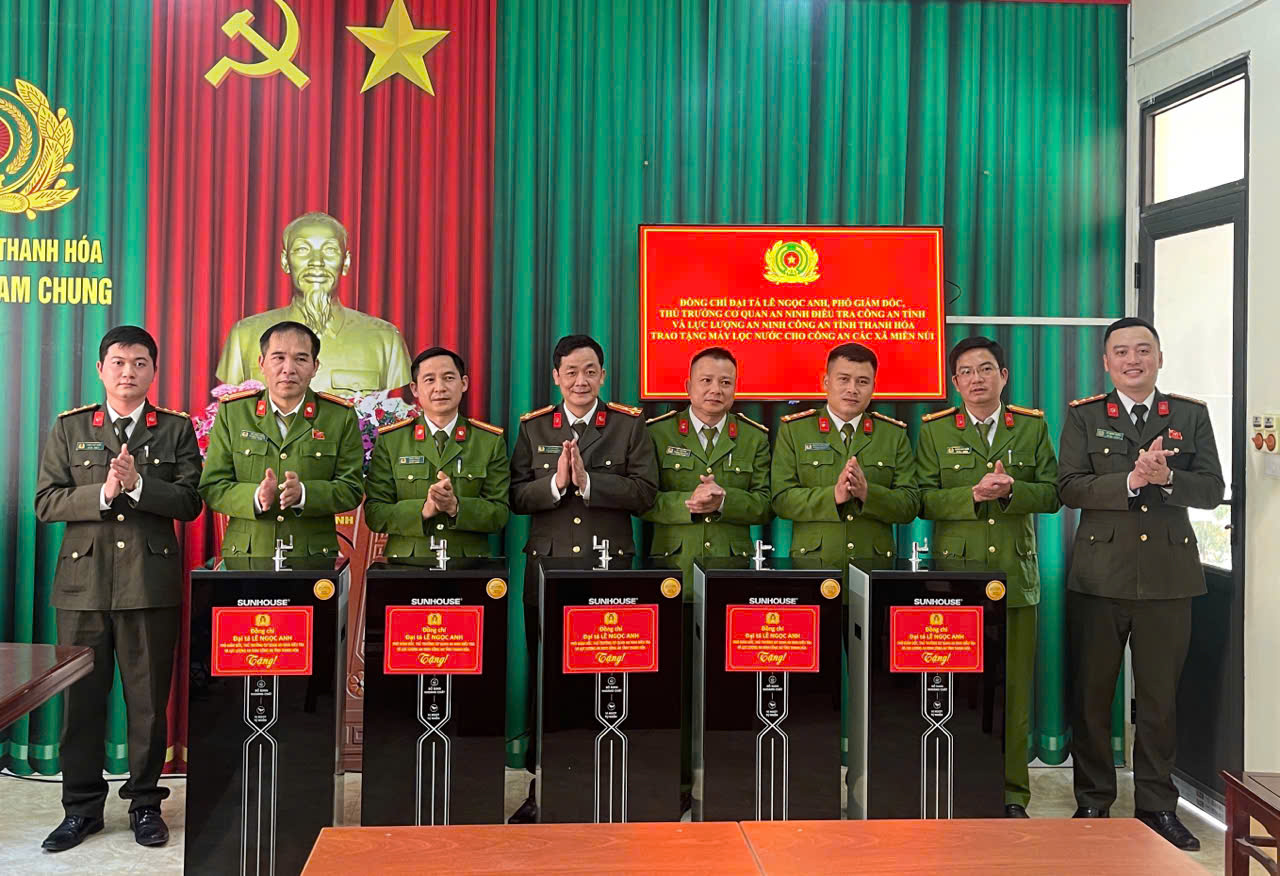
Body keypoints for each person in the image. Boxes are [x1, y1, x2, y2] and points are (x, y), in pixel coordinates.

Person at [34, 326, 203, 850]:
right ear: (101, 369)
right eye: (118, 362)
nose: (128, 372)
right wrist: (104, 493)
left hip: (149, 586)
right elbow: (46, 502)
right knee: (81, 704)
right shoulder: (71, 426)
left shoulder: (174, 429)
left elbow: (190, 502)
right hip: (83, 588)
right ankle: (81, 810)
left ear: (154, 370)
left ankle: (145, 804)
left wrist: (139, 485)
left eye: (139, 363)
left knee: (148, 704)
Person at [1058, 316, 1223, 851]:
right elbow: (1069, 487)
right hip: (1099, 577)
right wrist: (1130, 480)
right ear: (1106, 362)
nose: (1133, 360)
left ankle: (1156, 806)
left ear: (1159, 357)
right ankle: (1093, 801)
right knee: (1092, 696)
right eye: (1122, 351)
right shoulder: (1084, 415)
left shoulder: (1190, 415)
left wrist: (1168, 477)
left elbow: (1212, 489)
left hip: (1169, 579)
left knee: (1159, 702)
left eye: (1143, 350)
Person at [507, 333, 659, 821]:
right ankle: (543, 786)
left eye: (590, 371)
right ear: (556, 377)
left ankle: (608, 782)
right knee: (547, 680)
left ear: (603, 375)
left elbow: (646, 493)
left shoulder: (628, 426)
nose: (580, 380)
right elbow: (515, 496)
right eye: (571, 371)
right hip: (547, 573)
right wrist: (556, 483)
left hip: (607, 571)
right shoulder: (533, 427)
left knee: (608, 679)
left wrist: (590, 482)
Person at [916, 336, 1060, 818]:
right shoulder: (934, 430)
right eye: (966, 372)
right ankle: (955, 788)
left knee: (1013, 692)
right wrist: (973, 495)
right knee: (954, 691)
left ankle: (1012, 794)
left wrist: (1013, 490)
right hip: (954, 581)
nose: (976, 379)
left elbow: (1053, 494)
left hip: (1015, 578)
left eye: (985, 369)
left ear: (1004, 376)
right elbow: (922, 500)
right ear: (954, 383)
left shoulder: (1032, 427)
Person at [642, 346, 771, 806]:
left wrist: (726, 500)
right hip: (673, 577)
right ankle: (676, 785)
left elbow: (766, 503)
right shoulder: (657, 433)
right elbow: (643, 499)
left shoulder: (753, 437)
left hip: (730, 579)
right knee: (673, 690)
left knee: (729, 690)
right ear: (688, 386)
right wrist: (688, 505)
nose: (716, 390)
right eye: (707, 381)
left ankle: (725, 784)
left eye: (725, 382)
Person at [199, 321, 365, 569]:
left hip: (312, 560)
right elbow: (212, 486)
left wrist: (304, 494)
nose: (289, 369)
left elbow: (351, 488)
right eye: (278, 358)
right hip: (247, 558)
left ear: (315, 366)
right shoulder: (234, 413)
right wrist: (255, 496)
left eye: (301, 359)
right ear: (262, 363)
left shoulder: (338, 416)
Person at [215, 211, 411, 394]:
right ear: (285, 262)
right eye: (302, 250)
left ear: (346, 262)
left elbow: (400, 412)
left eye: (330, 250)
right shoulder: (244, 336)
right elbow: (230, 411)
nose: (317, 261)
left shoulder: (385, 340)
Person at [771, 342, 919, 569]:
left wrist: (868, 494)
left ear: (874, 387)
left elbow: (910, 504)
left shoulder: (893, 434)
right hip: (814, 563)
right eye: (843, 379)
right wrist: (833, 496)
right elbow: (781, 499)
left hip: (874, 564)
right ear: (826, 382)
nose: (852, 389)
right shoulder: (795, 431)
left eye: (862, 382)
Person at [364, 346, 509, 560]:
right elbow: (375, 513)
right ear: (415, 389)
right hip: (407, 565)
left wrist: (455, 507)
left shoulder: (489, 441)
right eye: (429, 380)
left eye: (448, 378)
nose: (439, 388)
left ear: (464, 383)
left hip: (467, 566)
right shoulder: (391, 440)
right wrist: (423, 510)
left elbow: (500, 514)